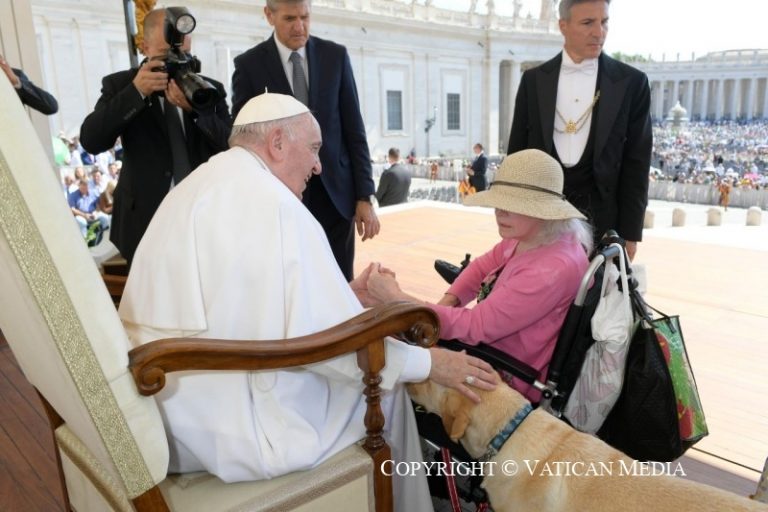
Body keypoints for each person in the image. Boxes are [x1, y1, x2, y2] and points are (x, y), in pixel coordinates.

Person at [118, 92, 497, 511]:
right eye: (314, 149)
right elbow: (330, 349)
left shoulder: (199, 183)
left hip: (172, 407)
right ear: (278, 142)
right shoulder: (277, 205)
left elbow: (251, 306)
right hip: (231, 426)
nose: (318, 166)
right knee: (388, 395)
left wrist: (344, 295)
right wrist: (429, 363)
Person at [366, 149, 592, 403]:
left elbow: (475, 327)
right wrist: (448, 302)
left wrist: (397, 300)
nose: (499, 211)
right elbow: (481, 267)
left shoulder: (550, 269)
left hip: (505, 375)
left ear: (544, 210)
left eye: (513, 204)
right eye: (499, 201)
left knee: (386, 363)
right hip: (499, 350)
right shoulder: (538, 236)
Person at [231, 0, 379, 281]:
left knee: (340, 281)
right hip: (281, 199)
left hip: (336, 199)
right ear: (269, 15)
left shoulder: (335, 56)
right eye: (289, 19)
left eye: (305, 17)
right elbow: (243, 138)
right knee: (293, 283)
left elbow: (354, 131)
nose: (299, 27)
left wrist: (364, 196)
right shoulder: (249, 65)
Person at [79, 8, 231, 265]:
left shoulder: (208, 89)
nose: (175, 63)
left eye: (183, 54)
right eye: (164, 55)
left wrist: (196, 111)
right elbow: (91, 140)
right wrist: (136, 92)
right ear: (145, 47)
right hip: (144, 222)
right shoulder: (121, 85)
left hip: (203, 217)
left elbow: (231, 146)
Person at [506, 0, 652, 261]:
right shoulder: (533, 80)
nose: (599, 32)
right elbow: (518, 154)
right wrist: (512, 217)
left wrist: (630, 233)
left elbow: (637, 163)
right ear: (563, 26)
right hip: (540, 216)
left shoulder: (633, 83)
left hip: (605, 220)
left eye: (604, 22)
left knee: (596, 287)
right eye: (588, 23)